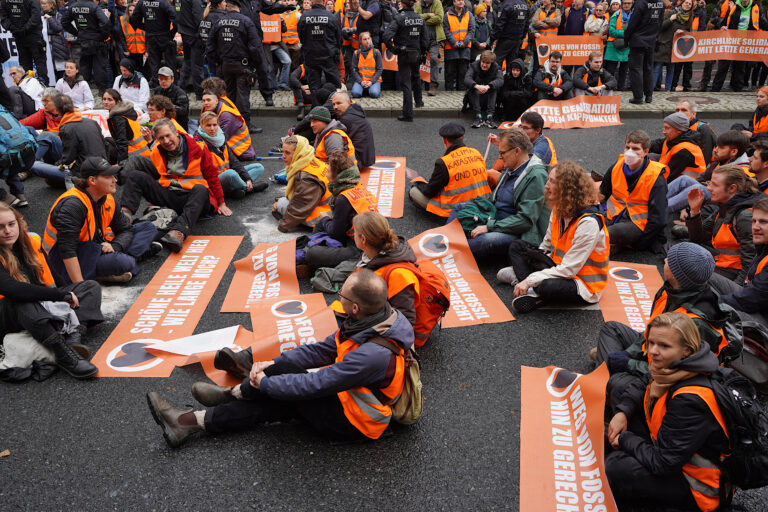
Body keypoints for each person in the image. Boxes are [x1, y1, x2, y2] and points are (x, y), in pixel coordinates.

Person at [147, 269, 414, 447]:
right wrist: (272, 364)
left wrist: (264, 384)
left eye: (341, 296)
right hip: (350, 395)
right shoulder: (374, 318)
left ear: (354, 308)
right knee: (286, 369)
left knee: (283, 400)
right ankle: (223, 400)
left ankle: (195, 419)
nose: (338, 298)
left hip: (359, 420)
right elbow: (321, 350)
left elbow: (317, 384)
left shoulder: (372, 355)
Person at [605, 313, 732, 512]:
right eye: (651, 342)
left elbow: (663, 463)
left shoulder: (690, 399)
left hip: (700, 487)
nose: (652, 351)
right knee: (612, 423)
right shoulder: (676, 367)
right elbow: (642, 383)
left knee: (617, 467)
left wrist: (624, 440)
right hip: (676, 452)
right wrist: (622, 412)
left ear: (686, 351)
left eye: (664, 346)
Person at [593, 242, 736, 381]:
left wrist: (629, 364)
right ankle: (607, 368)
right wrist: (628, 353)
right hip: (657, 350)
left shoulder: (695, 323)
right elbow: (651, 331)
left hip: (668, 375)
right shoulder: (672, 289)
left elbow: (676, 372)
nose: (665, 260)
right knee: (612, 329)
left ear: (675, 275)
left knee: (618, 380)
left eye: (669, 261)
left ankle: (605, 384)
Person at [0, 203, 102, 379]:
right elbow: (13, 289)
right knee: (22, 299)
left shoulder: (30, 242)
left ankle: (74, 338)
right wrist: (60, 296)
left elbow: (55, 278)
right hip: (7, 313)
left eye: (11, 224)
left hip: (37, 304)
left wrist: (68, 294)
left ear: (18, 223)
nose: (7, 231)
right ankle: (64, 354)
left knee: (89, 287)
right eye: (0, 227)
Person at [498, 161, 609, 314]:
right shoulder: (560, 206)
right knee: (517, 247)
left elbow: (569, 270)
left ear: (566, 189)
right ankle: (530, 287)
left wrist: (530, 279)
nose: (546, 185)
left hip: (582, 283)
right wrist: (535, 259)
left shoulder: (588, 222)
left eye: (552, 182)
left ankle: (532, 289)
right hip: (558, 266)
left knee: (547, 286)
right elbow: (547, 244)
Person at [42, 156, 159, 284]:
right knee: (125, 262)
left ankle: (116, 265)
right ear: (92, 180)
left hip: (97, 247)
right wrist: (81, 286)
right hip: (65, 259)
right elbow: (67, 251)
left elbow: (126, 229)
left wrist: (115, 246)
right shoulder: (72, 205)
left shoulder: (107, 198)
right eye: (108, 176)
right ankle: (124, 263)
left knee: (148, 227)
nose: (115, 180)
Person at [119, 119, 231, 252]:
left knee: (201, 189)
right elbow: (161, 178)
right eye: (161, 138)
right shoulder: (156, 151)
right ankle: (124, 217)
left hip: (194, 198)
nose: (166, 141)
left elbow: (212, 177)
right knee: (135, 176)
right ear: (157, 139)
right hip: (171, 195)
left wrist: (221, 202)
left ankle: (179, 232)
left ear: (176, 133)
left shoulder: (199, 148)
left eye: (168, 136)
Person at [449, 128, 549, 260]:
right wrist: (476, 208)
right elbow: (494, 199)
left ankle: (448, 253)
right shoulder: (512, 166)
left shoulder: (535, 176)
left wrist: (489, 227)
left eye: (502, 153)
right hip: (495, 218)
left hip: (516, 232)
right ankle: (445, 241)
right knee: (459, 207)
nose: (500, 157)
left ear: (517, 151)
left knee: (484, 240)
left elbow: (525, 220)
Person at [301, 152, 378, 271]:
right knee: (323, 225)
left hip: (360, 249)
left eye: (329, 172)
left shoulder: (343, 198)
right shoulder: (359, 187)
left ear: (338, 177)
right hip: (370, 243)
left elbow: (336, 233)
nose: (326, 176)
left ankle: (310, 258)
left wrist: (324, 219)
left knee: (312, 253)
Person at [687, 164, 761, 283]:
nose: (709, 188)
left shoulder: (744, 217)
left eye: (714, 185)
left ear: (732, 188)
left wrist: (734, 294)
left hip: (734, 273)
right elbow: (698, 237)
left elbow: (749, 265)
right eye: (709, 182)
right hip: (721, 264)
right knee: (680, 250)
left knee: (687, 274)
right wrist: (695, 211)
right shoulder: (725, 207)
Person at [601, 130, 667, 252]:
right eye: (627, 147)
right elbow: (603, 192)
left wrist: (639, 244)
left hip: (637, 223)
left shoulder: (656, 178)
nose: (630, 152)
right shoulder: (617, 166)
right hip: (614, 215)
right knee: (589, 225)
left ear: (645, 152)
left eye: (635, 149)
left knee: (610, 233)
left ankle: (610, 244)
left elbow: (658, 220)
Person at [409, 122, 491, 216]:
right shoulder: (476, 153)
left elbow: (429, 191)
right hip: (481, 204)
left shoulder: (444, 162)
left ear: (444, 140)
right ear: (463, 137)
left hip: (456, 210)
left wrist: (419, 183)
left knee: (413, 191)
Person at [206, 0, 264, 134]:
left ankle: (229, 122)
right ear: (239, 7)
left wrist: (217, 62)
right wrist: (257, 64)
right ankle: (244, 125)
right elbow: (255, 47)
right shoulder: (246, 21)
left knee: (229, 95)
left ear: (227, 7)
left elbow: (210, 46)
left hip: (225, 65)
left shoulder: (219, 22)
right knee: (242, 95)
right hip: (242, 65)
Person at [711, 196, 768, 326]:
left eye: (763, 222)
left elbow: (753, 299)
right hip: (755, 304)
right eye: (754, 221)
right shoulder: (763, 246)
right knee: (704, 274)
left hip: (764, 321)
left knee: (710, 310)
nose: (755, 227)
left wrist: (714, 302)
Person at [668, 130, 751, 217]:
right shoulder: (721, 161)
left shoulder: (742, 170)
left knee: (699, 188)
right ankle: (655, 201)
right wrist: (683, 208)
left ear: (733, 152)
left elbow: (730, 196)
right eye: (717, 146)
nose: (715, 150)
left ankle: (658, 210)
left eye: (721, 148)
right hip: (711, 192)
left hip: (721, 202)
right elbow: (701, 178)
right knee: (684, 179)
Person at [196, 111, 268, 199]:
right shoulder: (198, 143)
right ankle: (249, 189)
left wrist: (247, 178)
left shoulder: (221, 138)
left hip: (228, 175)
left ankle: (235, 190)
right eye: (208, 125)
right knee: (231, 173)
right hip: (214, 181)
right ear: (201, 126)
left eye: (215, 125)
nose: (212, 128)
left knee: (258, 167)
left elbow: (234, 162)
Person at [272, 134, 332, 232]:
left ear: (298, 153)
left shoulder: (306, 178)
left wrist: (283, 226)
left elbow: (300, 208)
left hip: (325, 214)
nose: (283, 156)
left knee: (282, 203)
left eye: (287, 153)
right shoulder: (310, 159)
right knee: (284, 200)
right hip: (331, 207)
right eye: (283, 152)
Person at [382, 0, 428, 123]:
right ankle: (419, 102)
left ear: (402, 4)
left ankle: (408, 113)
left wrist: (393, 49)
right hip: (416, 53)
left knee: (406, 83)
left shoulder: (399, 18)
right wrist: (423, 53)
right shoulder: (419, 18)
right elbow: (425, 39)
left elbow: (386, 35)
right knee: (416, 76)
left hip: (403, 53)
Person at [711, 0, 765, 93]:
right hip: (730, 42)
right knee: (723, 67)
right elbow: (724, 22)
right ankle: (715, 90)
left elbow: (763, 23)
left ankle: (737, 90)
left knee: (740, 68)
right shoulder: (733, 8)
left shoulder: (756, 8)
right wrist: (722, 26)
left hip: (744, 43)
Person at [62, 0, 112, 91]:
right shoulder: (94, 6)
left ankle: (84, 89)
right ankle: (102, 90)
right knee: (99, 66)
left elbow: (64, 22)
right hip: (97, 40)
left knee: (85, 66)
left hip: (83, 40)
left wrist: (78, 33)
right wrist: (103, 36)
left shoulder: (73, 7)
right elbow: (105, 22)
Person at [57, 95, 108, 181]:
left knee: (37, 167)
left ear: (57, 110)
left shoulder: (67, 128)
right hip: (103, 165)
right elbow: (105, 145)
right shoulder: (92, 122)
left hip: (83, 171)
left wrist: (59, 164)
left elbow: (68, 158)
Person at [298, 0, 343, 93]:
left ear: (311, 2)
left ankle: (315, 106)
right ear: (323, 2)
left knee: (314, 86)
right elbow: (339, 38)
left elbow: (301, 37)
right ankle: (332, 105)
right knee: (333, 86)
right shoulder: (331, 17)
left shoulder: (304, 17)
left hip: (311, 56)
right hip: (328, 56)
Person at [624, 0, 664, 104]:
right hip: (651, 40)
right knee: (648, 68)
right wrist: (655, 36)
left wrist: (626, 37)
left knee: (636, 69)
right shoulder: (661, 3)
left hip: (638, 39)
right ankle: (649, 96)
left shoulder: (641, 3)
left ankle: (638, 97)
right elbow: (660, 22)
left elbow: (632, 23)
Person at [0, 0, 48, 85]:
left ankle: (31, 89)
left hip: (21, 36)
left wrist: (15, 29)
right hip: (32, 36)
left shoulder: (5, 1)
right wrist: (22, 29)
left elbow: (4, 19)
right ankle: (40, 88)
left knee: (27, 66)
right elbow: (36, 16)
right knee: (38, 65)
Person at [200, 88, 256, 160]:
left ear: (216, 100)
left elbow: (219, 139)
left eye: (208, 100)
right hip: (228, 146)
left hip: (241, 151)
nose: (205, 103)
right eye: (204, 101)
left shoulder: (226, 115)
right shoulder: (208, 108)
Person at [650, 112, 706, 182]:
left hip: (688, 186)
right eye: (664, 127)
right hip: (675, 179)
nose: (663, 132)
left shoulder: (684, 151)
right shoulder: (673, 138)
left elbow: (667, 177)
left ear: (679, 130)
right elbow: (654, 145)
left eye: (667, 128)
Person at [130, 0, 177, 83]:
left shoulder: (142, 2)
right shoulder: (163, 2)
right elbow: (175, 17)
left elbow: (133, 19)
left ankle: (156, 85)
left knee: (154, 64)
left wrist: (146, 27)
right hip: (164, 35)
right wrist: (172, 32)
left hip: (151, 36)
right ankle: (171, 85)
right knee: (170, 63)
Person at [653, 0, 694, 93]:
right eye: (686, 3)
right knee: (657, 68)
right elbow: (660, 27)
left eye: (690, 4)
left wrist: (684, 32)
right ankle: (650, 90)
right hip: (663, 45)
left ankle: (668, 91)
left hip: (675, 48)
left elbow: (690, 34)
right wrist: (671, 19)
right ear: (681, 3)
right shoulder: (671, 13)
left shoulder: (689, 18)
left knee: (671, 70)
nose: (687, 5)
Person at [330, 91, 375, 169]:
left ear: (348, 102)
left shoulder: (346, 119)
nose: (335, 107)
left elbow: (338, 142)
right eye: (333, 104)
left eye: (338, 103)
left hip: (357, 161)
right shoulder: (355, 110)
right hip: (367, 158)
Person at [104, 89, 151, 162]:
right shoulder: (126, 113)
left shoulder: (118, 118)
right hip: (144, 153)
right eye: (104, 99)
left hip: (135, 158)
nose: (106, 102)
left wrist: (121, 165)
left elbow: (122, 143)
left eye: (110, 100)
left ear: (118, 102)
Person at [464, 50, 502, 128]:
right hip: (475, 98)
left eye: (487, 63)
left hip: (489, 98)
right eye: (483, 62)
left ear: (491, 63)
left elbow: (500, 80)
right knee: (472, 89)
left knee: (493, 89)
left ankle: (489, 117)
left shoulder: (496, 67)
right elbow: (467, 79)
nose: (484, 65)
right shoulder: (473, 66)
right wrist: (477, 86)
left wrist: (488, 86)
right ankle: (478, 117)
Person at [442, 0, 474, 92]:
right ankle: (448, 92)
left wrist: (465, 42)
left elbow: (471, 31)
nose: (460, 2)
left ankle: (461, 92)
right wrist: (454, 42)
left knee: (463, 72)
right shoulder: (447, 15)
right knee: (449, 72)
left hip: (465, 48)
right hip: (450, 48)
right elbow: (446, 30)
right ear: (454, 2)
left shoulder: (469, 15)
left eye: (462, 0)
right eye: (458, 0)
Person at [414, 0, 444, 96]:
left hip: (434, 39)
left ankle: (433, 85)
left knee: (434, 59)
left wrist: (423, 20)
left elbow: (439, 18)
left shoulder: (437, 3)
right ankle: (417, 83)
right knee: (416, 60)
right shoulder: (419, 4)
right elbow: (415, 18)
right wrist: (428, 15)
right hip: (420, 38)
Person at [490, 0, 529, 72]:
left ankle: (495, 81)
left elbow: (500, 25)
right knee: (512, 65)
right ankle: (510, 82)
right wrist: (521, 37)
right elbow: (526, 25)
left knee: (496, 62)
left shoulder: (506, 5)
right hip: (517, 40)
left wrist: (492, 38)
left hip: (505, 39)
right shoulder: (525, 5)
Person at [674, 99, 717, 164]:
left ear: (693, 114)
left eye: (684, 110)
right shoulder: (676, 126)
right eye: (677, 110)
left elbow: (706, 156)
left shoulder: (702, 129)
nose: (679, 113)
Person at [177, 0, 205, 99]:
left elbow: (177, 13)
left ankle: (181, 88)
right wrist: (201, 31)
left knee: (187, 62)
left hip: (185, 32)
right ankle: (199, 92)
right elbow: (198, 15)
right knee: (197, 64)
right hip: (194, 33)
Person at [603, 0, 631, 91]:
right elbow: (611, 31)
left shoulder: (634, 16)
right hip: (613, 45)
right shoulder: (616, 15)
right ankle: (609, 87)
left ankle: (621, 88)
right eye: (625, 3)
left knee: (624, 69)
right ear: (622, 4)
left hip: (627, 46)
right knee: (611, 69)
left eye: (629, 3)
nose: (627, 5)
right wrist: (626, 34)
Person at [152, 67, 189, 131]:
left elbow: (183, 111)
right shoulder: (157, 91)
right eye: (161, 79)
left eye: (166, 79)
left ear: (172, 79)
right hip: (160, 123)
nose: (163, 81)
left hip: (178, 125)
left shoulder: (180, 92)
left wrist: (166, 106)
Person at [41, 0, 71, 80]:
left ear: (51, 5)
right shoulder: (39, 15)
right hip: (45, 44)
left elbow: (58, 28)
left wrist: (50, 19)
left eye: (45, 4)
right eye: (42, 4)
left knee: (60, 69)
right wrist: (51, 32)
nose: (43, 6)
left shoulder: (58, 15)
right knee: (49, 69)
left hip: (57, 45)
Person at [349, 31, 383, 99]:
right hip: (361, 81)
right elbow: (354, 70)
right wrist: (361, 82)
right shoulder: (356, 53)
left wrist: (371, 82)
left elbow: (379, 69)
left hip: (373, 81)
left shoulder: (376, 52)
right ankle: (365, 89)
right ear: (361, 41)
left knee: (374, 94)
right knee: (355, 94)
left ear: (371, 39)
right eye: (365, 39)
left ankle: (369, 89)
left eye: (368, 38)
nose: (367, 41)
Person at [118, 3, 148, 77]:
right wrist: (125, 50)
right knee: (132, 71)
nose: (132, 12)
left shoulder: (144, 20)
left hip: (142, 51)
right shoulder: (123, 21)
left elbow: (148, 37)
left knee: (143, 71)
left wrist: (147, 50)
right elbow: (121, 37)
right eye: (130, 10)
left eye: (134, 10)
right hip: (130, 51)